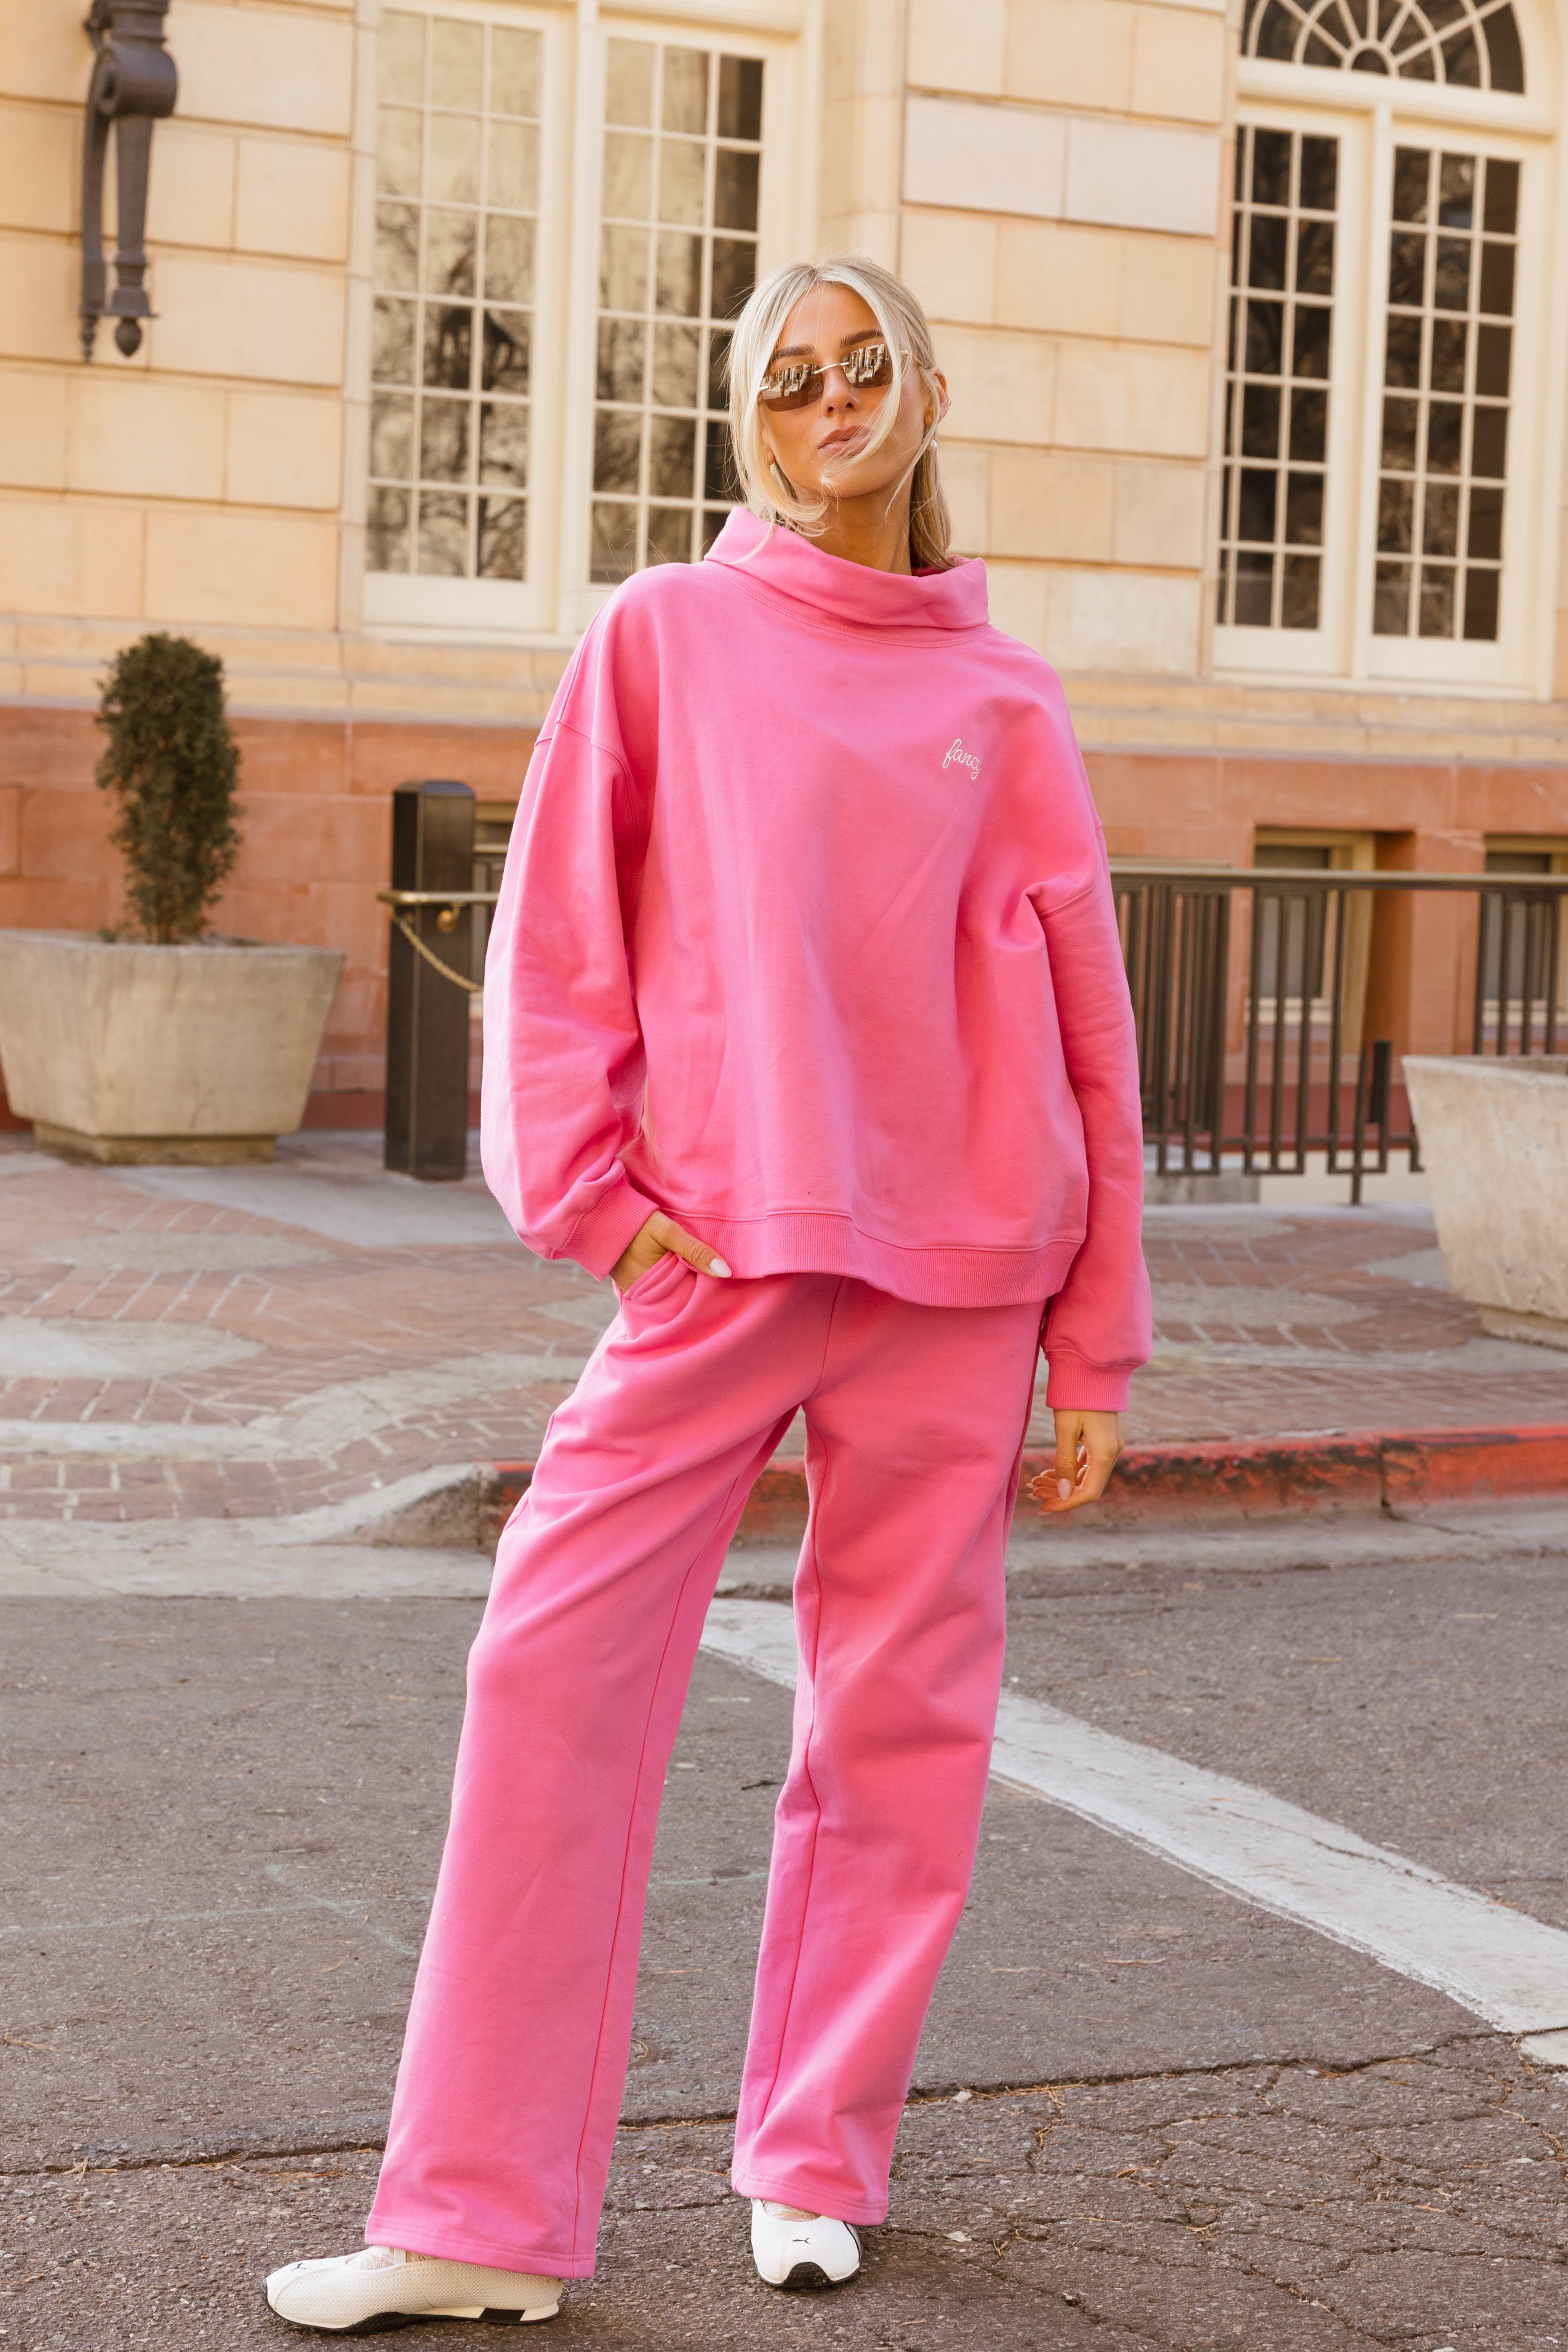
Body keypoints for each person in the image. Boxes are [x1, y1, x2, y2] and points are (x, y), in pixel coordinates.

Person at [265, 252, 1150, 2334]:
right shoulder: (666, 632)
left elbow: (1092, 1026)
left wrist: (1096, 1333)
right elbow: (559, 932)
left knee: (902, 1723)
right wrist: (592, 1197)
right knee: (548, 1667)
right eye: (787, 378)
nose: (829, 402)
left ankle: (817, 2157)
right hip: (720, 1254)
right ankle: (476, 2217)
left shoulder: (1009, 698)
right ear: (748, 419)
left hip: (962, 1279)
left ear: (929, 392)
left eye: (864, 366)